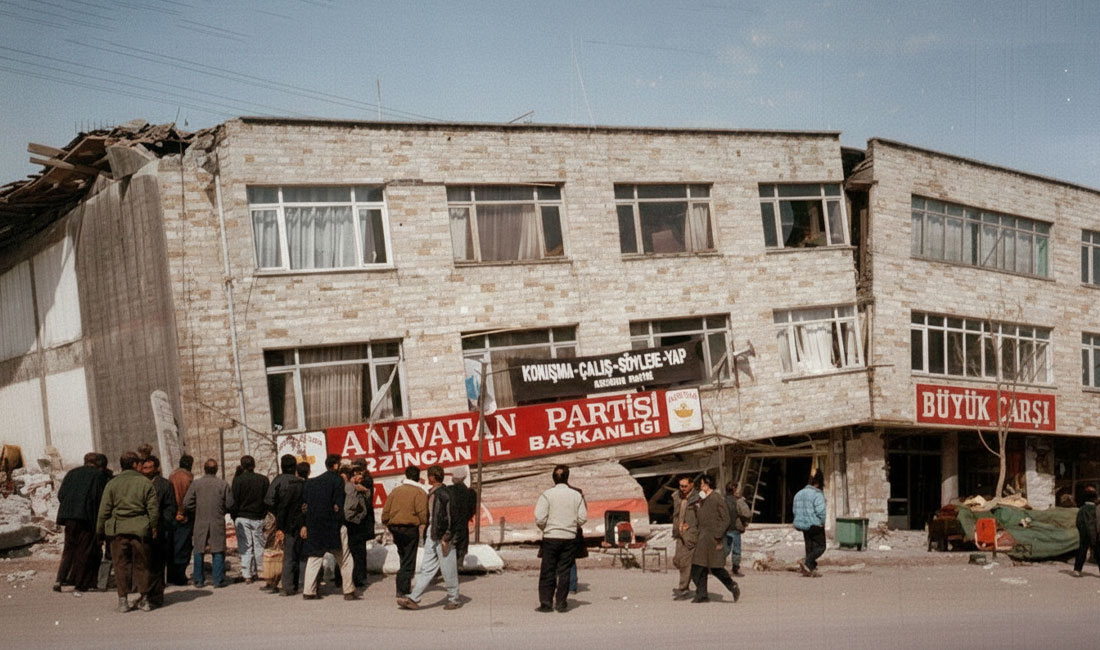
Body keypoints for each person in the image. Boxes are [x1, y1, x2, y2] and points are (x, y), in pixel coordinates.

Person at [95, 451, 159, 613]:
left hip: (117, 531)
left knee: (120, 566)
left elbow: (104, 510)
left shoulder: (112, 484)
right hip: (140, 529)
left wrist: (100, 531)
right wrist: (154, 527)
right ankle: (144, 599)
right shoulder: (145, 483)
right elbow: (153, 509)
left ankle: (123, 600)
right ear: (134, 464)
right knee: (142, 565)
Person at [397, 464, 462, 610]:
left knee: (448, 568)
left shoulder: (445, 494)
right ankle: (414, 598)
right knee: (426, 568)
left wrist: (447, 536)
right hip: (432, 534)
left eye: (429, 476)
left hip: (443, 536)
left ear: (432, 477)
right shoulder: (433, 492)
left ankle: (453, 598)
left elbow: (453, 517)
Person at [301, 453, 356, 600]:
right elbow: (339, 505)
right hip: (332, 526)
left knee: (314, 558)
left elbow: (305, 506)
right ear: (336, 465)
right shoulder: (337, 480)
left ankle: (308, 591)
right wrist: (340, 523)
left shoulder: (313, 483)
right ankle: (348, 590)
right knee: (345, 558)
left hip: (315, 526)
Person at [534, 464, 586, 613]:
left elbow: (539, 518)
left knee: (547, 570)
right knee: (564, 570)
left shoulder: (547, 495)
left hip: (551, 537)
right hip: (569, 537)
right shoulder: (576, 495)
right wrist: (571, 525)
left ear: (553, 478)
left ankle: (546, 603)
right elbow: (582, 518)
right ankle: (561, 603)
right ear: (567, 477)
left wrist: (546, 528)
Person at [54, 452, 108, 592]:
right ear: (98, 464)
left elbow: (61, 495)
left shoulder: (71, 473)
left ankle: (60, 579)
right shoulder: (98, 476)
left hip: (70, 517)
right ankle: (80, 583)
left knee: (69, 548)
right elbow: (101, 498)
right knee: (84, 549)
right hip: (87, 517)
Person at [687, 474, 740, 604]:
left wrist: (718, 534)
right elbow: (692, 507)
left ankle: (732, 585)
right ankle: (702, 594)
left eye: (702, 484)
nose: (700, 486)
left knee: (716, 567)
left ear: (707, 484)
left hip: (713, 538)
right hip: (702, 537)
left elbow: (726, 519)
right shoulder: (701, 499)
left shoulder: (717, 498)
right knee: (698, 567)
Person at [182, 459, 234, 588]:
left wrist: (197, 510)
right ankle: (218, 579)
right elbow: (230, 504)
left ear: (205, 469)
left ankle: (198, 580)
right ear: (216, 469)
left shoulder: (196, 484)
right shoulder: (223, 484)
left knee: (199, 550)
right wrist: (222, 509)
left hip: (200, 520)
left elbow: (186, 503)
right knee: (218, 550)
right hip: (217, 519)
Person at [381, 465, 429, 597]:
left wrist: (387, 523)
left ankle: (405, 584)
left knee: (403, 555)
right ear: (418, 477)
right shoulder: (419, 492)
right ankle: (402, 587)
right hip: (409, 529)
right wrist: (423, 523)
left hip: (395, 528)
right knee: (409, 558)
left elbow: (386, 512)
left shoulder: (396, 491)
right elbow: (423, 514)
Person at [140, 455, 176, 609]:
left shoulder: (164, 484)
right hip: (140, 528)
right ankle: (144, 594)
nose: (146, 470)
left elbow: (170, 507)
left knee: (156, 565)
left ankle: (155, 596)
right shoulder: (139, 483)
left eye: (149, 467)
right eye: (144, 467)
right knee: (143, 564)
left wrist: (162, 526)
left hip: (158, 530)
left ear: (156, 468)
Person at [264, 454, 302, 593]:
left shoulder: (278, 481)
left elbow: (268, 501)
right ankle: (294, 583)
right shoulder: (300, 482)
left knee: (283, 553)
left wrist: (277, 513)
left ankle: (283, 584)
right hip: (299, 522)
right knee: (296, 554)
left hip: (281, 521)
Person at [231, 454, 269, 585]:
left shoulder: (238, 480)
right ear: (254, 465)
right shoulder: (263, 480)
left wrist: (234, 516)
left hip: (242, 516)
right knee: (259, 545)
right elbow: (267, 500)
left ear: (242, 466)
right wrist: (264, 514)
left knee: (245, 546)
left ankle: (247, 574)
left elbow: (234, 501)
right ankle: (262, 571)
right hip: (258, 517)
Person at [344, 459, 375, 591]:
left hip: (359, 520)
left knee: (358, 549)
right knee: (355, 549)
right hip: (357, 520)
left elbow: (363, 501)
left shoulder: (365, 481)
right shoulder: (359, 482)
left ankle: (359, 577)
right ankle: (356, 576)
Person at [793, 470, 827, 577]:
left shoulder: (799, 493)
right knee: (821, 547)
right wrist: (822, 522)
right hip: (815, 524)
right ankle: (807, 561)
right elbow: (821, 511)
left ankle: (810, 568)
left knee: (809, 547)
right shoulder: (817, 494)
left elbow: (795, 510)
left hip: (803, 525)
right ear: (817, 483)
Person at [167, 455, 194, 585]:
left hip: (173, 515)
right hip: (185, 515)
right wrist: (182, 512)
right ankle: (179, 575)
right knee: (183, 545)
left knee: (173, 544)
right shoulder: (189, 477)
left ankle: (172, 574)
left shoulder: (172, 476)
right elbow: (188, 498)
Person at [671, 475, 697, 599]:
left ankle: (683, 588)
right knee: (677, 560)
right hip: (678, 533)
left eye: (685, 486)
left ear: (691, 485)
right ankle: (693, 579)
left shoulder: (697, 498)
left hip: (690, 534)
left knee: (686, 562)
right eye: (681, 486)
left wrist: (691, 526)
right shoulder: (677, 496)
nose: (682, 489)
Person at [449, 465, 477, 568]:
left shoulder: (448, 491)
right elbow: (472, 510)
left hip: (450, 524)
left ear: (455, 478)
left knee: (449, 547)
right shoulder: (471, 493)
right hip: (463, 524)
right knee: (461, 547)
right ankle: (458, 566)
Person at [724, 482, 752, 577]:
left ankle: (717, 567)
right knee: (736, 550)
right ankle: (735, 569)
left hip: (724, 528)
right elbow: (747, 513)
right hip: (735, 528)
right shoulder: (739, 501)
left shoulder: (721, 500)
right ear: (735, 489)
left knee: (725, 549)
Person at [1073, 485, 1098, 577]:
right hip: (1094, 534)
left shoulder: (1081, 509)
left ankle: (1077, 569)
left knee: (1082, 551)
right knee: (1097, 552)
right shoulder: (1094, 509)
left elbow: (1078, 522)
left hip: (1084, 534)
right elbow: (1093, 524)